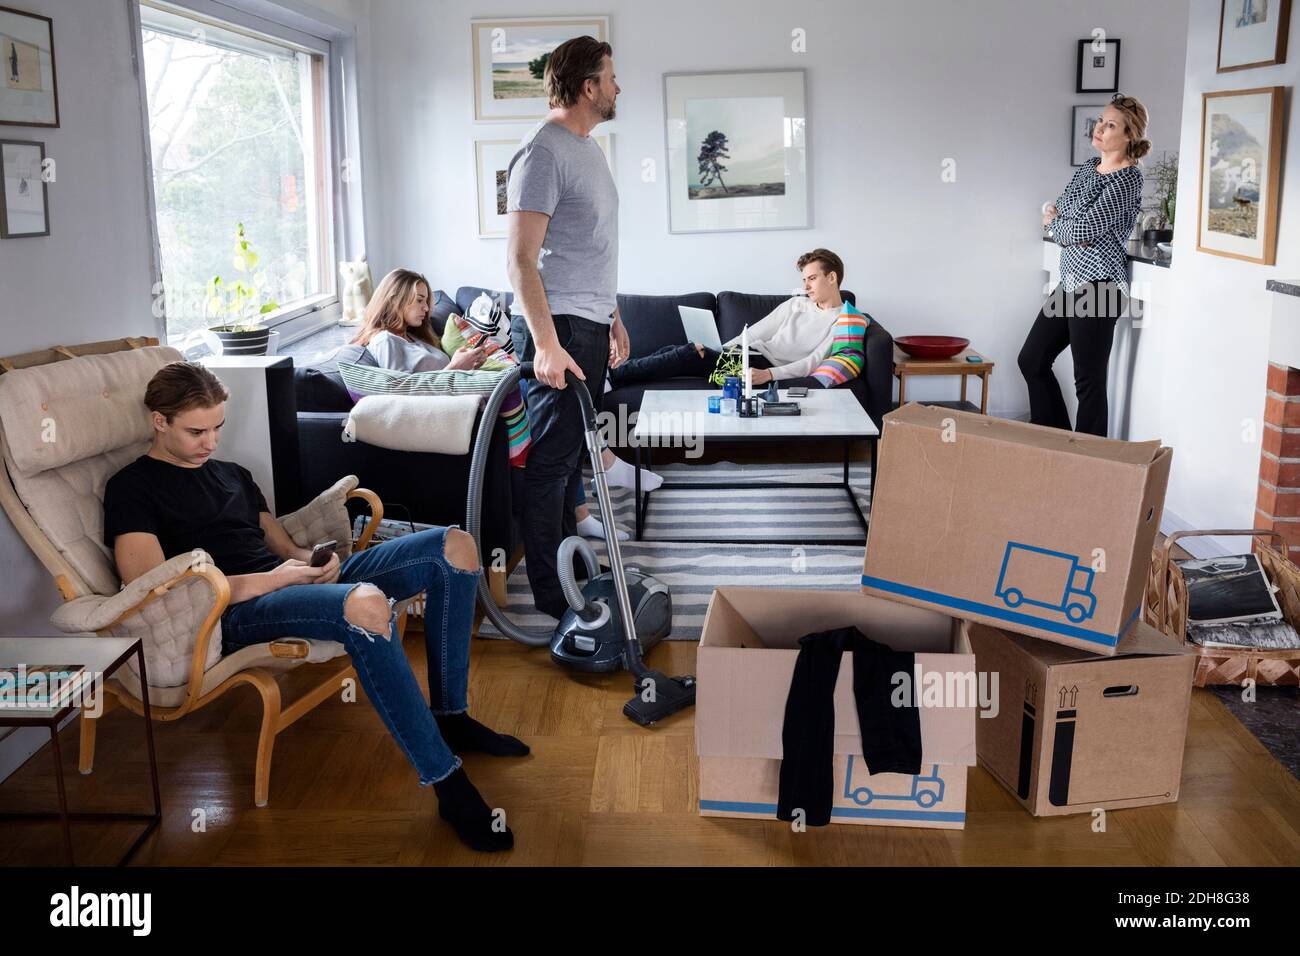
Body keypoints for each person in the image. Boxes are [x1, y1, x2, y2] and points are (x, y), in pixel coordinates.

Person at [103, 361, 526, 853]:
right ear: (159, 421)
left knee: (456, 547)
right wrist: (274, 580)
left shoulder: (231, 474)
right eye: (196, 431)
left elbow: (284, 547)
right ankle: (445, 782)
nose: (211, 442)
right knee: (368, 607)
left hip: (289, 582)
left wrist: (315, 563)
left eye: (218, 427)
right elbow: (157, 591)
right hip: (234, 608)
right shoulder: (132, 488)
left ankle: (451, 715)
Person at [505, 35, 630, 618]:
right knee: (549, 466)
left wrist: (614, 315)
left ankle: (572, 569)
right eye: (610, 77)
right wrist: (548, 345)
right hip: (557, 329)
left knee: (566, 460)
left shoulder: (589, 149)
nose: (617, 86)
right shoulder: (544, 152)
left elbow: (589, 247)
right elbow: (521, 259)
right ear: (588, 87)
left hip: (588, 321)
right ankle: (556, 599)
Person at [1019, 93, 1149, 437]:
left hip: (1101, 287)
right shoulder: (1086, 171)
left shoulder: (1128, 179)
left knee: (1088, 382)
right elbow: (1062, 215)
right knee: (1031, 360)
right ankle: (1055, 438)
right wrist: (1063, 225)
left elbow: (1082, 227)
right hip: (1072, 282)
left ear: (1128, 136)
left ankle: (1090, 460)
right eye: (1100, 121)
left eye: (1110, 125)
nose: (1100, 129)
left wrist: (1058, 225)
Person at [605, 249, 851, 389]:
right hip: (748, 355)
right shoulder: (796, 303)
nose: (806, 286)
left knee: (692, 353)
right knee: (686, 351)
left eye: (812, 278)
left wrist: (769, 375)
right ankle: (619, 373)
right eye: (804, 280)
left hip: (763, 369)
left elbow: (813, 362)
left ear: (831, 277)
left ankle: (615, 375)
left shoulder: (842, 320)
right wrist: (721, 350)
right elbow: (754, 333)